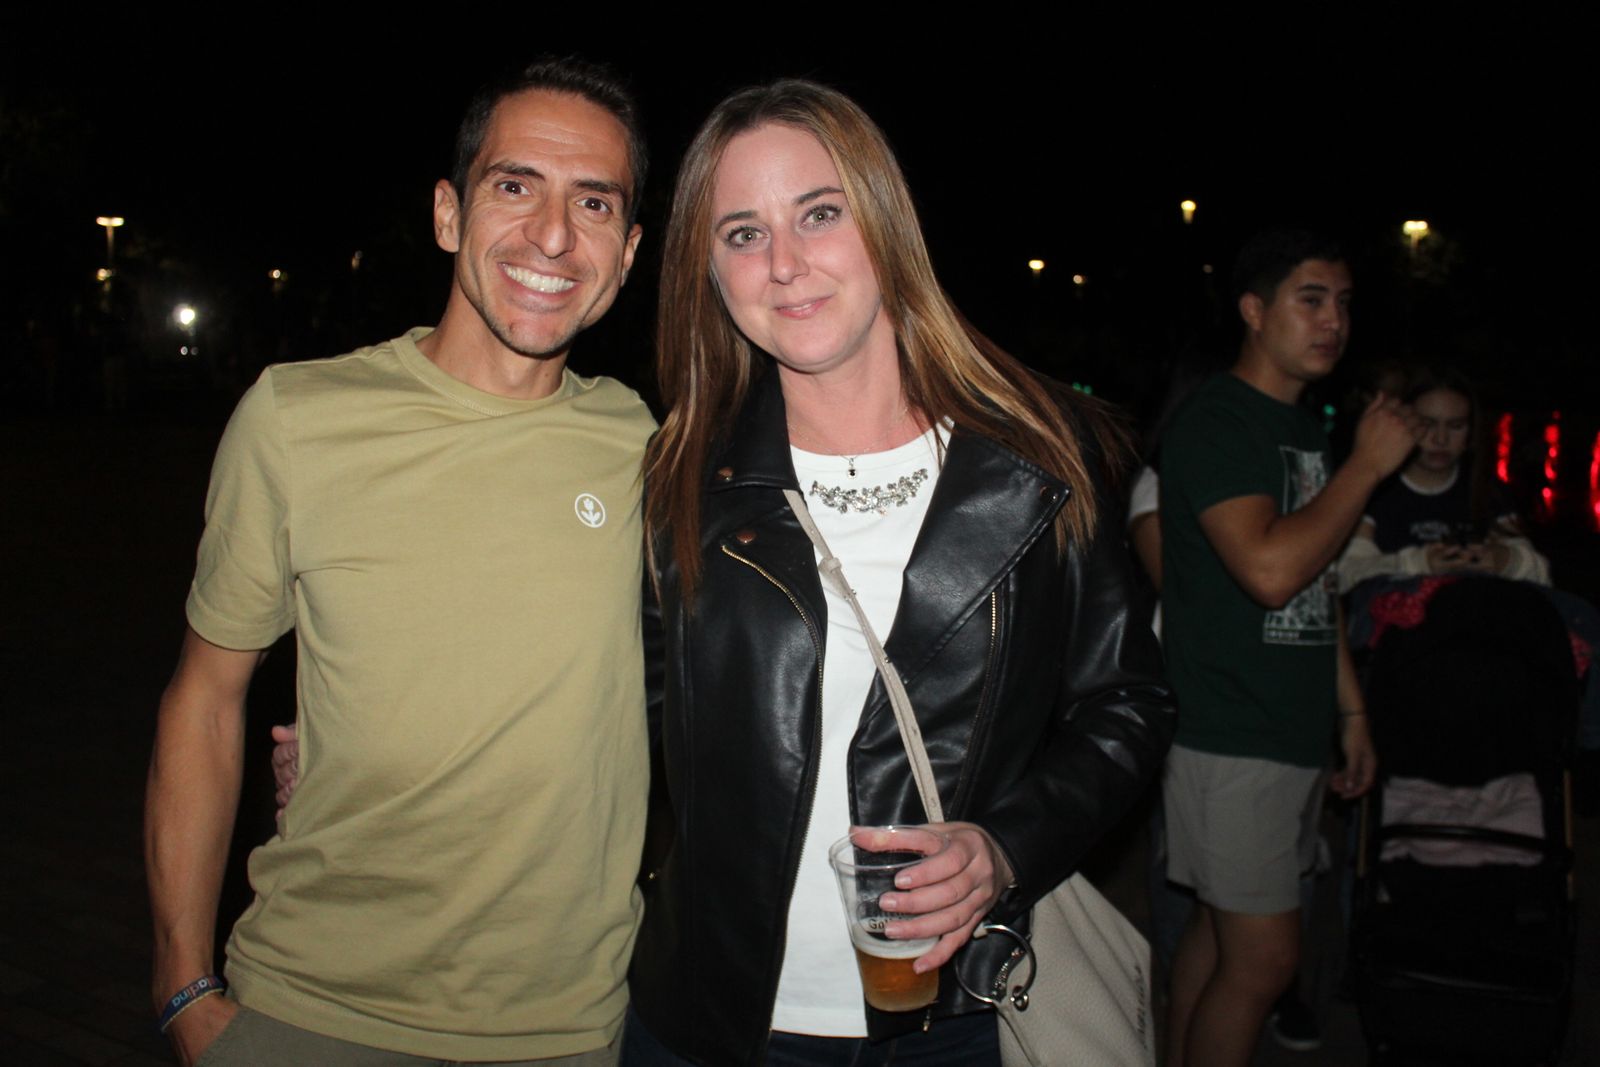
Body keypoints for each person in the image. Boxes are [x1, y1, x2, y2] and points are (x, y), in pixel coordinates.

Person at [623, 80, 1175, 1066]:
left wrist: (1006, 844)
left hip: (953, 1021)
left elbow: (1128, 702)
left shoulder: (1045, 460)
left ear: (883, 221)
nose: (785, 263)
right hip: (711, 1019)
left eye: (819, 214)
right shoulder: (681, 482)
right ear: (706, 267)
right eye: (742, 234)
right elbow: (616, 708)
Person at [145, 58, 652, 1067]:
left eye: (591, 203)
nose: (553, 235)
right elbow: (204, 698)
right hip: (308, 1007)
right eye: (515, 186)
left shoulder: (641, 440)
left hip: (561, 1029)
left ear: (628, 252)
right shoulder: (297, 417)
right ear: (448, 213)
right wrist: (183, 989)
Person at [1158, 228, 1422, 1067]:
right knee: (1268, 960)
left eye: (1343, 303)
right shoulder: (1217, 422)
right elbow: (1270, 569)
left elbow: (1315, 580)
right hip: (1230, 731)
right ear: (1254, 310)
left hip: (1286, 724)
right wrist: (1368, 469)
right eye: (1311, 299)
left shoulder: (1299, 428)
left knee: (1217, 929)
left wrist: (1349, 708)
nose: (1333, 321)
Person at [1338, 368, 1550, 588]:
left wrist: (1502, 560)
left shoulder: (1486, 489)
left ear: (1470, 432)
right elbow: (1348, 574)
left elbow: (1539, 570)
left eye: (1455, 426)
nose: (1440, 439)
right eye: (1428, 424)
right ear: (1404, 422)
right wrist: (1420, 563)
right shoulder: (1376, 488)